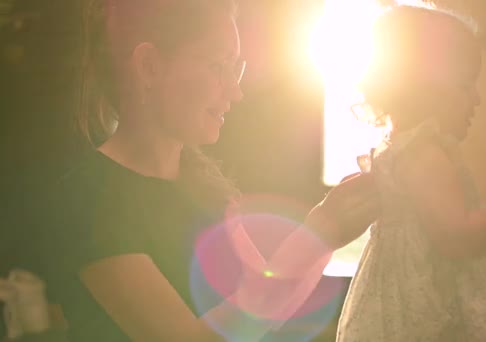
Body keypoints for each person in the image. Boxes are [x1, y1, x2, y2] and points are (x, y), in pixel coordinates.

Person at [19, 0, 379, 341]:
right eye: (217, 66)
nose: (235, 92)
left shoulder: (200, 179)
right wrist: (319, 233)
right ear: (149, 67)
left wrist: (325, 230)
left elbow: (265, 311)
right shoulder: (87, 198)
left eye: (237, 69)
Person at [336, 3, 486, 341]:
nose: (477, 99)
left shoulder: (400, 149)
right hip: (430, 311)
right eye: (466, 85)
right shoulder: (424, 154)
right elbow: (458, 237)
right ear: (427, 86)